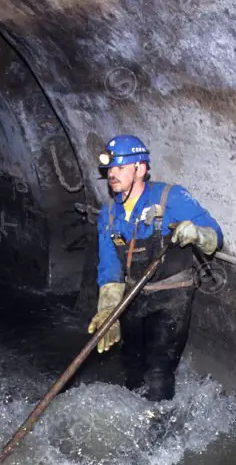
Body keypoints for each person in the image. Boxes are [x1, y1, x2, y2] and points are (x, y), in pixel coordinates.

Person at [87, 134, 224, 402]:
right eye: (110, 169)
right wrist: (108, 311)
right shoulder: (110, 214)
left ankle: (158, 435)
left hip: (171, 296)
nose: (112, 174)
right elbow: (110, 267)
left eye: (120, 168)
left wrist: (197, 233)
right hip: (133, 295)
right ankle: (133, 426)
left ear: (141, 169)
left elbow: (215, 236)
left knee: (158, 370)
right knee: (133, 366)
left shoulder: (170, 197)